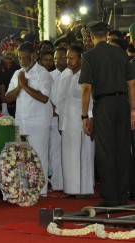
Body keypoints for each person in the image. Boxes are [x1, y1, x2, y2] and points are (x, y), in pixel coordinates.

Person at [79, 21, 135, 206]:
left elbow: (86, 88)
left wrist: (84, 116)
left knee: (105, 151)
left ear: (92, 36)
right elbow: (132, 84)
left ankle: (110, 198)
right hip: (123, 104)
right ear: (107, 34)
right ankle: (122, 196)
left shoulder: (89, 56)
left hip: (104, 105)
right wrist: (133, 109)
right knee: (122, 149)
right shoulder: (121, 53)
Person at [6, 41, 53, 196]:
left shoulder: (43, 73)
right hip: (21, 121)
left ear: (34, 56)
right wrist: (19, 86)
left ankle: (41, 191)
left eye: (25, 58)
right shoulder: (17, 73)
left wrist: (25, 86)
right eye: (20, 58)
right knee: (22, 157)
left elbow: (44, 98)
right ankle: (26, 190)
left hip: (39, 123)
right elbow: (7, 98)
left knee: (39, 157)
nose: (22, 61)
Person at [57, 45, 94, 196]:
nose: (68, 61)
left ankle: (83, 189)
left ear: (81, 59)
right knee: (68, 156)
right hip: (66, 122)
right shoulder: (65, 74)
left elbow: (91, 100)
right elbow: (60, 100)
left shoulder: (87, 74)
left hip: (81, 121)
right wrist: (60, 121)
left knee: (83, 155)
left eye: (72, 58)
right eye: (67, 58)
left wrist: (90, 119)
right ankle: (71, 189)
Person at [48, 47, 67, 191]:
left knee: (69, 152)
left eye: (61, 58)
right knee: (54, 151)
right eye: (56, 59)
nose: (58, 62)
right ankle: (57, 183)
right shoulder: (49, 75)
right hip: (53, 119)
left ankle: (70, 183)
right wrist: (53, 109)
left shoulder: (74, 74)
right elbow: (45, 96)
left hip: (70, 118)